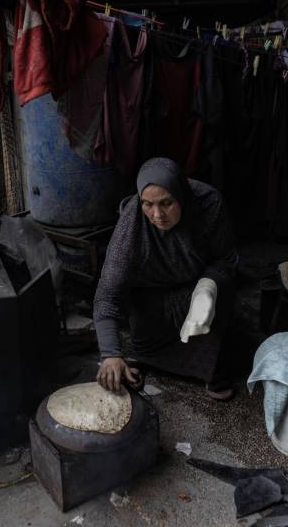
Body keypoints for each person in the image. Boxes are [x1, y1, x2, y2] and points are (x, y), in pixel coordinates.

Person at [94, 157, 239, 400]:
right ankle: (141, 357)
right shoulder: (131, 226)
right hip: (151, 295)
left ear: (181, 195)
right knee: (142, 336)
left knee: (215, 313)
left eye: (167, 203)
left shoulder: (208, 203)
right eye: (147, 204)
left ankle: (210, 370)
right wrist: (110, 353)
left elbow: (225, 258)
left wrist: (208, 286)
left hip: (195, 286)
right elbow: (108, 294)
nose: (157, 214)